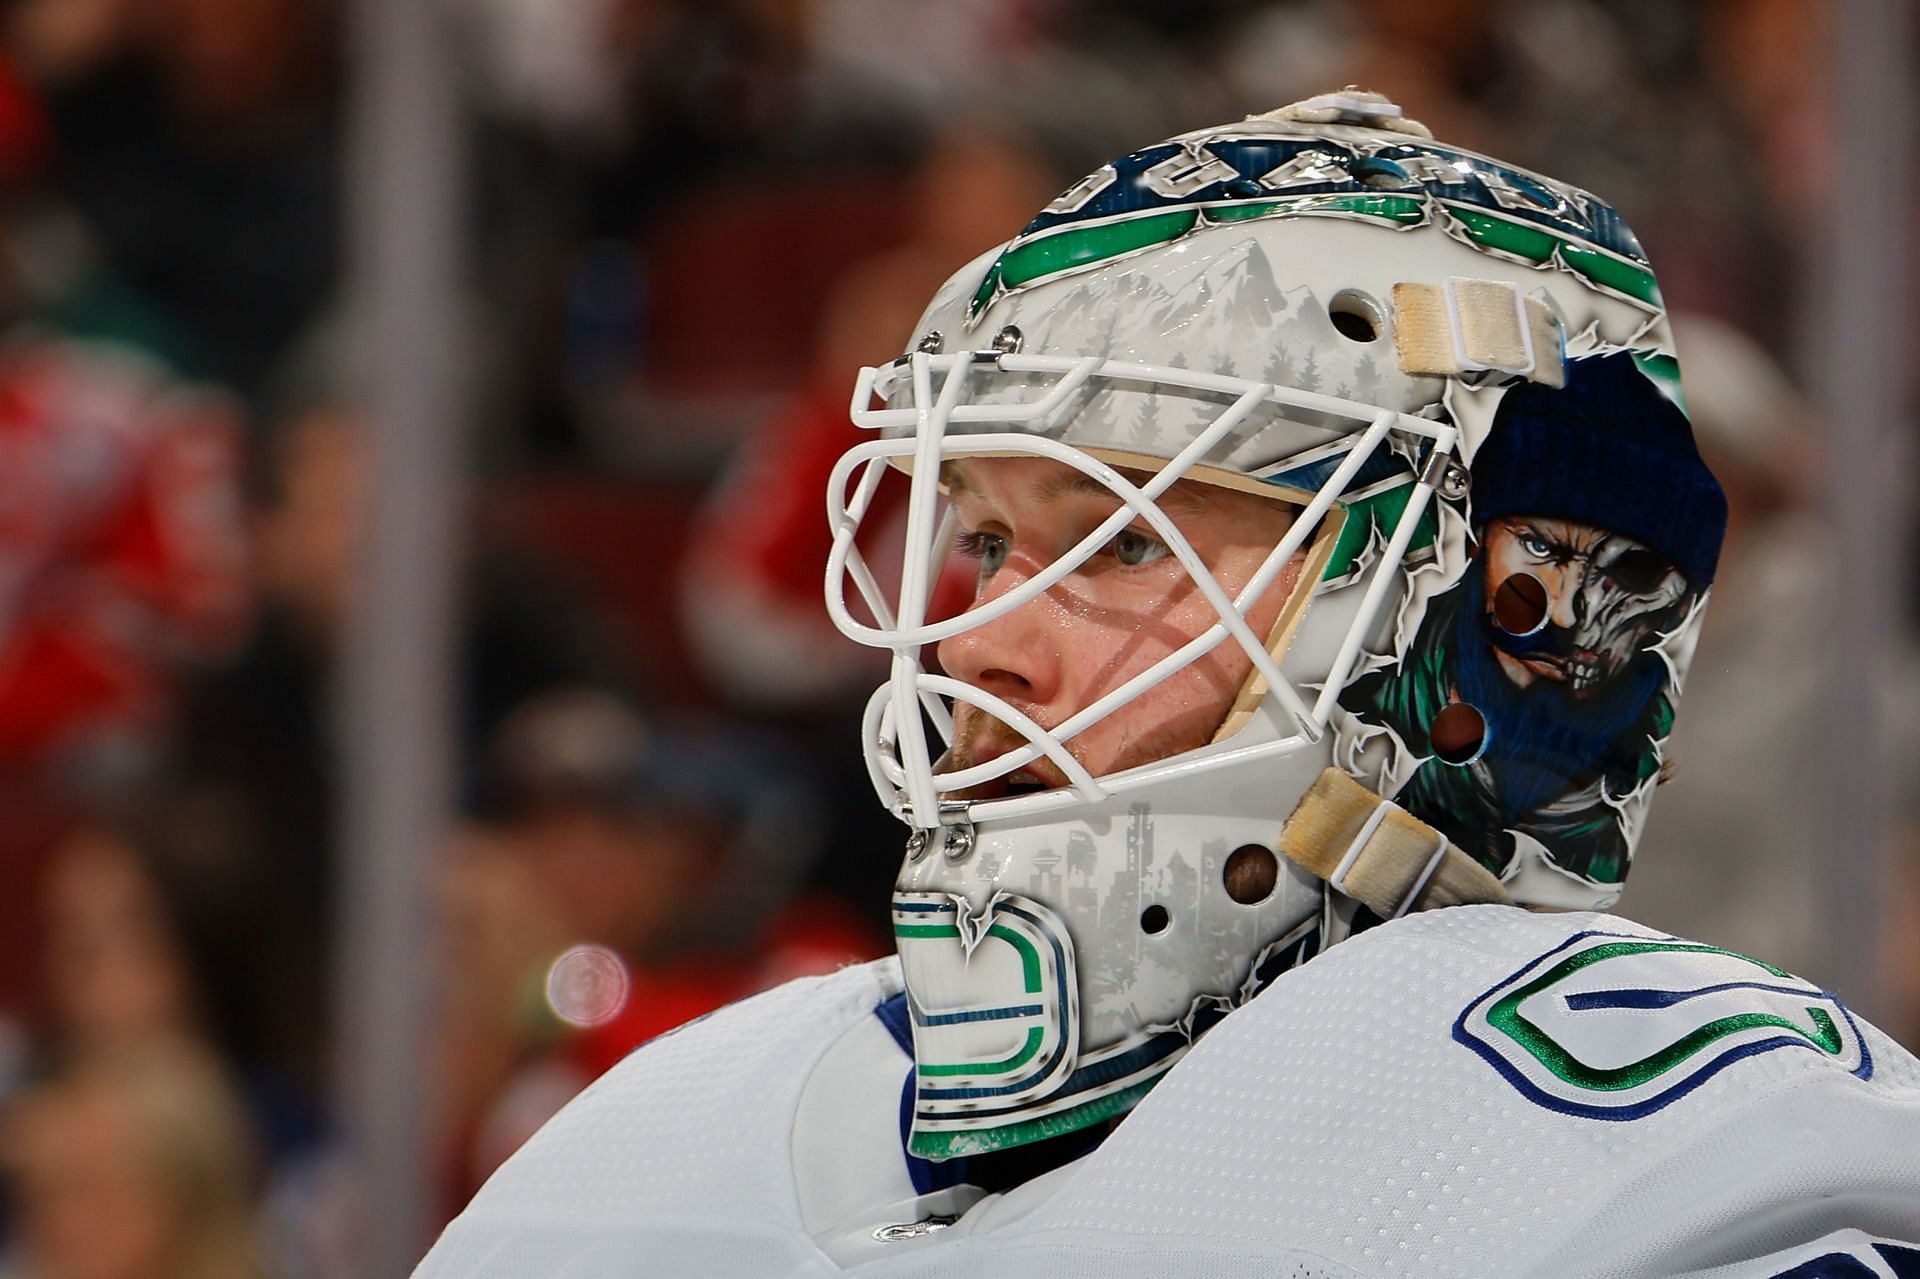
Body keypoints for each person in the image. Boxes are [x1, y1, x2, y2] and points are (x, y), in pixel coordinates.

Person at [414, 91, 1920, 1277]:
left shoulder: (1679, 1161)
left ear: (1510, 613)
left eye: (1123, 542)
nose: (971, 639)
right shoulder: (682, 1122)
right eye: (990, 540)